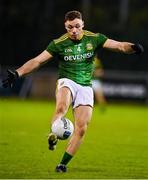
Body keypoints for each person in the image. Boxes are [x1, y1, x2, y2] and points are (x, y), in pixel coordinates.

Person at [2, 10, 144, 172]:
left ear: (83, 25)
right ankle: (53, 133)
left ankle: (62, 164)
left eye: (77, 26)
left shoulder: (94, 38)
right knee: (62, 107)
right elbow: (37, 61)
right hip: (67, 80)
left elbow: (119, 46)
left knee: (82, 128)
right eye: (70, 27)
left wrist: (132, 47)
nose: (74, 31)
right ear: (65, 26)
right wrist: (18, 72)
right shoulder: (58, 44)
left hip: (85, 86)